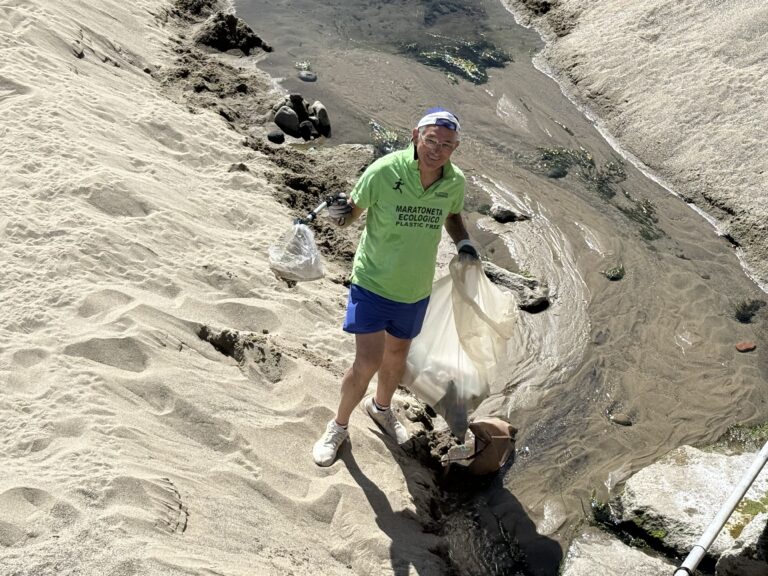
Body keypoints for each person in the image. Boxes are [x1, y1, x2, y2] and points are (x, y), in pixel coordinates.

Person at [312, 107, 479, 467]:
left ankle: (381, 408)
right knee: (368, 361)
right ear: (416, 136)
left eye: (446, 145)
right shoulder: (383, 171)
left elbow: (452, 215)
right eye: (430, 140)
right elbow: (349, 217)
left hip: (415, 290)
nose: (436, 150)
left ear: (455, 148)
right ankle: (338, 427)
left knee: (397, 356)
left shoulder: (455, 182)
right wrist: (337, 213)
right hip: (372, 282)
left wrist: (464, 242)